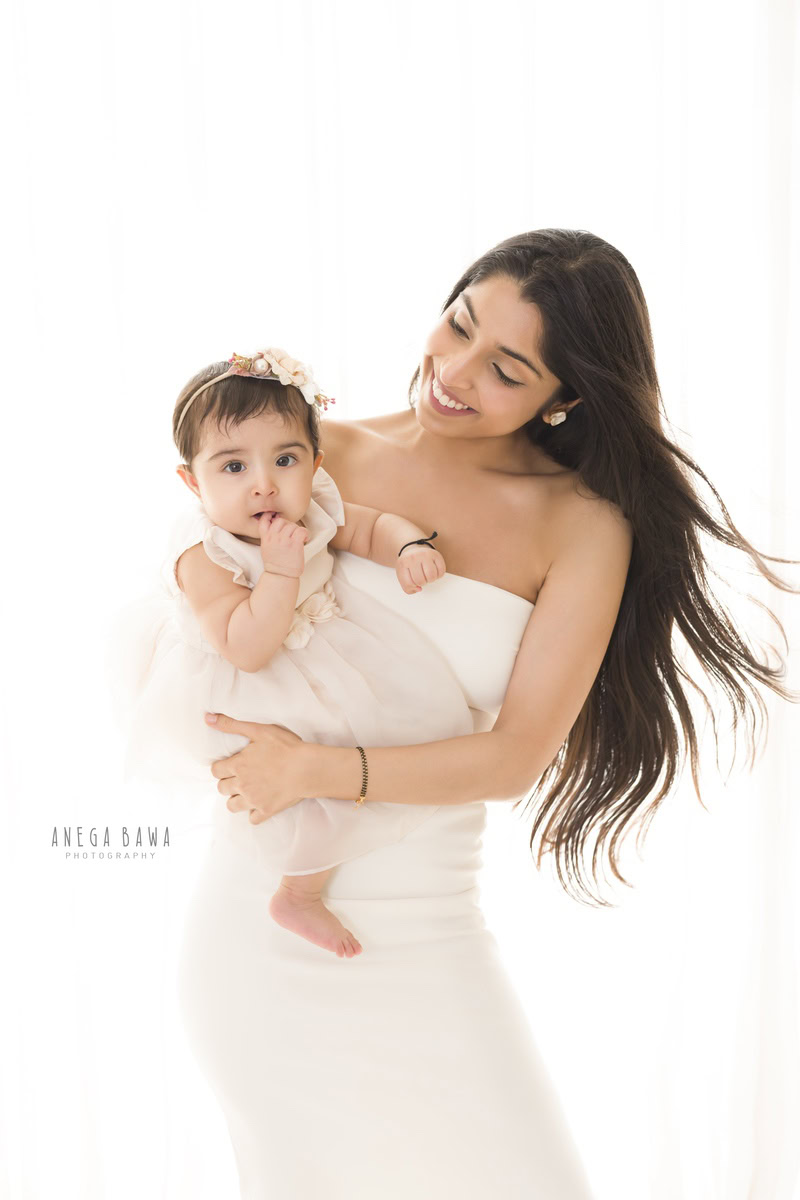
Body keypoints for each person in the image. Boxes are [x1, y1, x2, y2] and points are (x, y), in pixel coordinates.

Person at [180, 230, 799, 1199]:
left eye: (506, 369)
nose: (455, 372)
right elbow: (206, 620)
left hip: (429, 926)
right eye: (459, 325)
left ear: (565, 396)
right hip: (262, 928)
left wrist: (316, 769)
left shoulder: (581, 524)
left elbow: (513, 758)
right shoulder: (312, 457)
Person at [114, 346, 477, 958]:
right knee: (305, 778)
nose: (264, 484)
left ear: (315, 463)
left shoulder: (310, 504)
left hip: (314, 646)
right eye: (233, 467)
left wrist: (409, 545)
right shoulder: (205, 553)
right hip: (244, 682)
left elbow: (366, 527)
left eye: (285, 459)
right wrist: (281, 572)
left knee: (396, 725)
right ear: (192, 481)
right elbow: (245, 647)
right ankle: (298, 894)